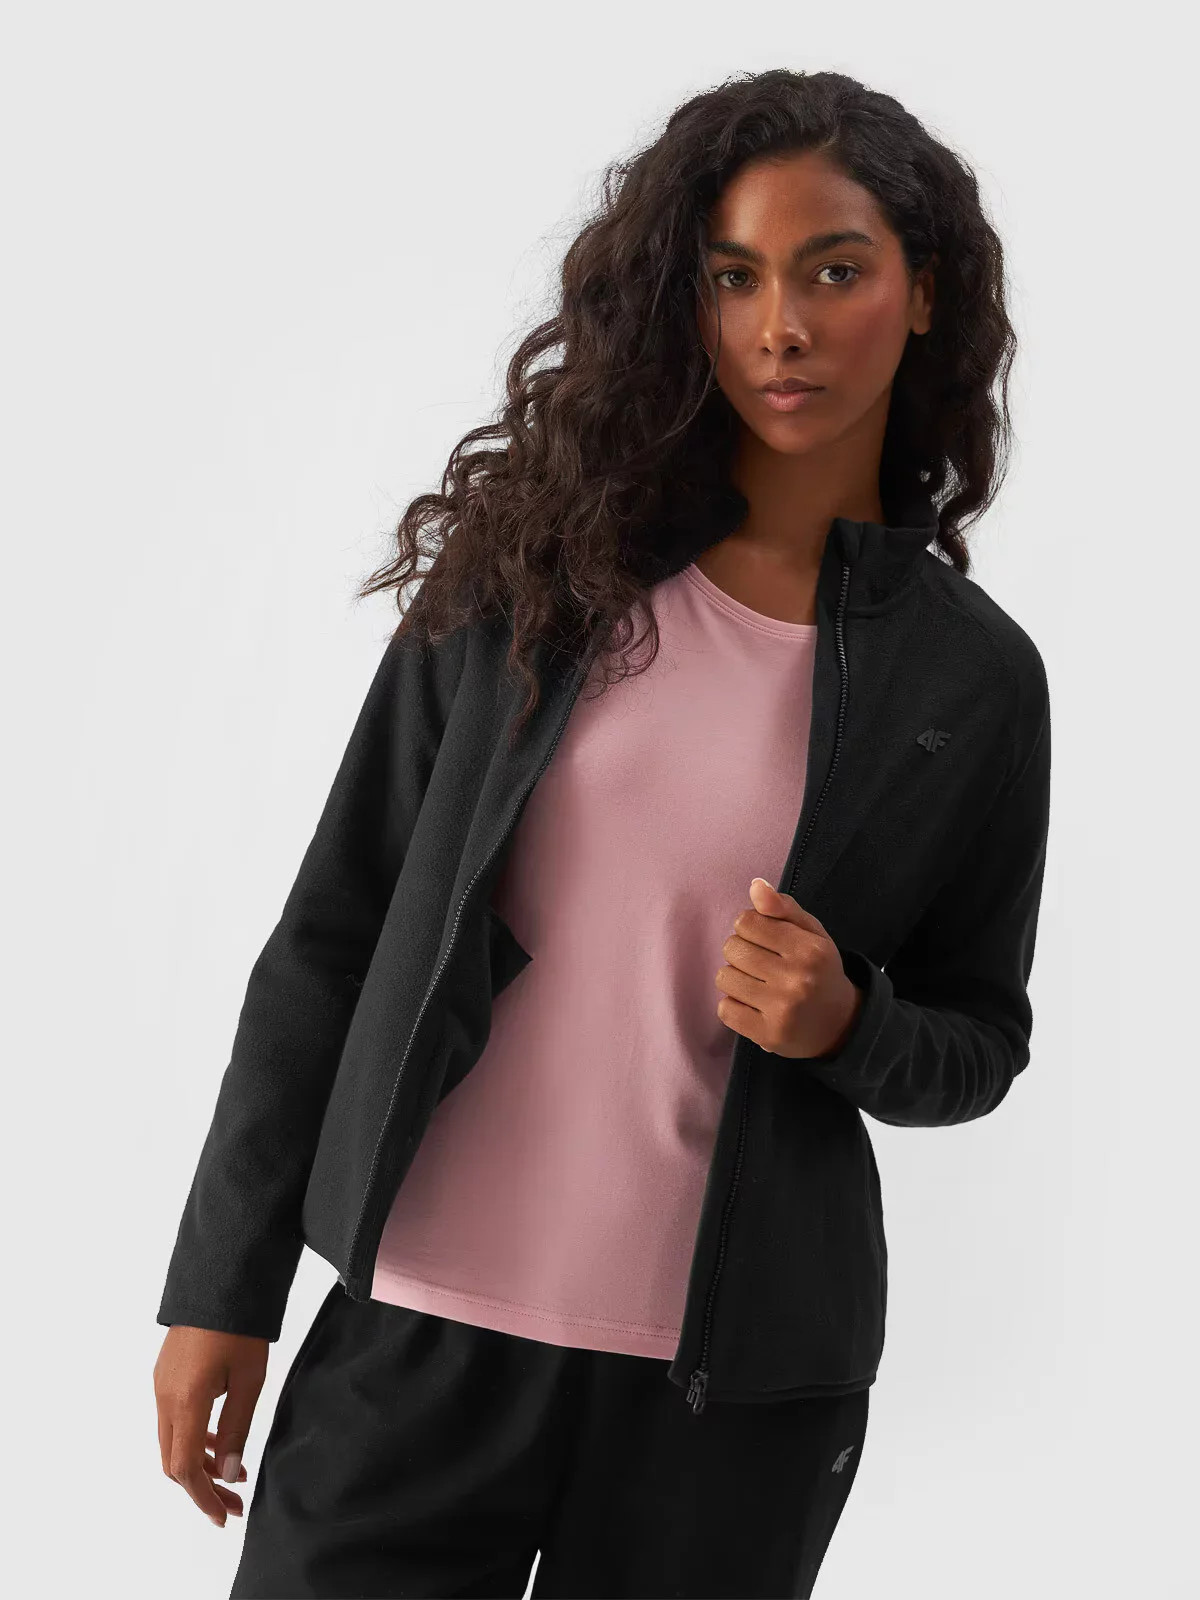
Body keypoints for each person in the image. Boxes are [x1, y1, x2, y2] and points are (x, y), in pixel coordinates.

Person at [152, 65, 1052, 1600]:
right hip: (415, 1327)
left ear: (923, 295)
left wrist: (849, 1023)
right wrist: (218, 1287)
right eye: (734, 277)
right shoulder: (534, 575)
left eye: (835, 272)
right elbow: (336, 928)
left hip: (730, 1395)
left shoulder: (972, 681)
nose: (781, 324)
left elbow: (980, 1037)